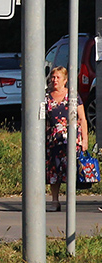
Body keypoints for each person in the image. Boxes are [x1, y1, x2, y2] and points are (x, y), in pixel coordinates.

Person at [46, 66, 88, 212]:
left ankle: (70, 200)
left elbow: (82, 119)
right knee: (54, 171)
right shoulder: (47, 97)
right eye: (53, 77)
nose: (54, 80)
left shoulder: (72, 96)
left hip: (71, 141)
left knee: (71, 170)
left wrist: (85, 140)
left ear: (65, 80)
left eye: (58, 77)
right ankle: (55, 201)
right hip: (53, 141)